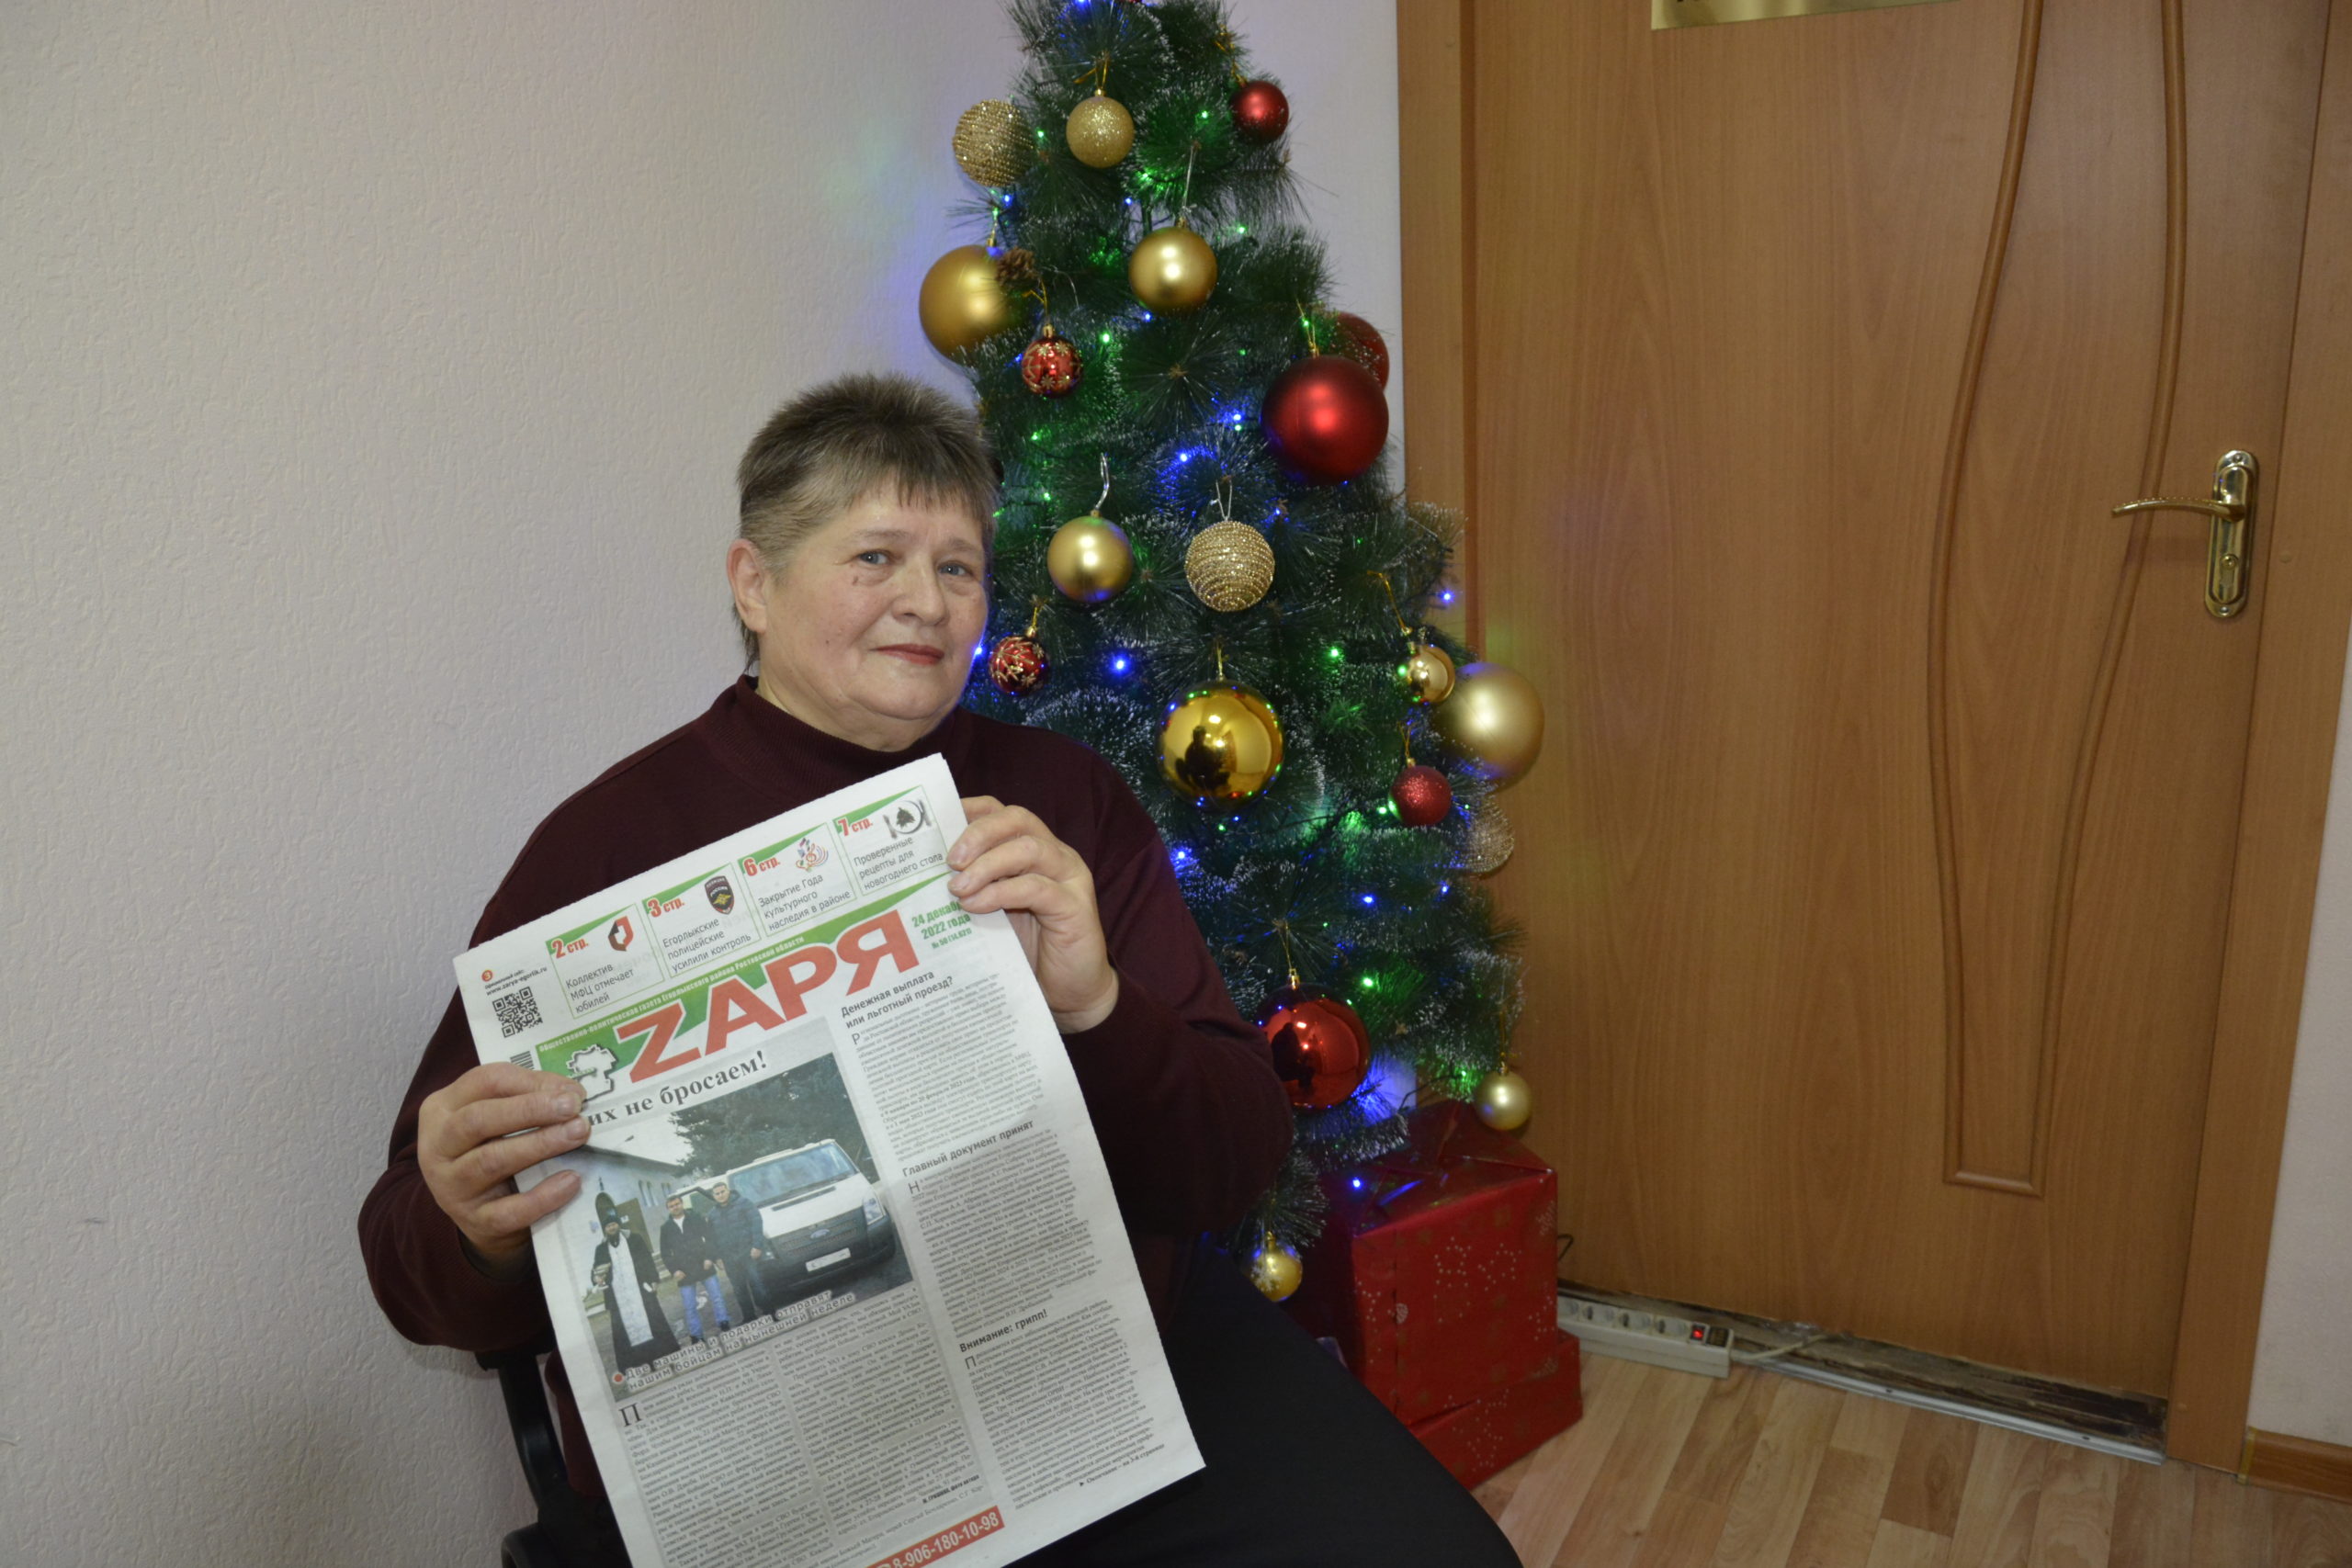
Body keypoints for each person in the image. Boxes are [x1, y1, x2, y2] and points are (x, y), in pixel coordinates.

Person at [356, 373, 1519, 1566]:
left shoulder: (1063, 801)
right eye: (876, 557)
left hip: (1087, 1365)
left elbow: (1231, 1166)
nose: (925, 601)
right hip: (792, 1444)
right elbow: (412, 1261)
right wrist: (476, 1223)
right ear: (753, 584)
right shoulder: (604, 849)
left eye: (958, 567)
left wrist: (1097, 1006)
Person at [590, 1196, 678, 1379]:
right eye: (608, 1226)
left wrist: (653, 1279)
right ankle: (635, 1363)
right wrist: (597, 1278)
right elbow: (596, 1271)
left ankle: (663, 1355)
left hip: (640, 1289)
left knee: (652, 1320)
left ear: (618, 1225)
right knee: (625, 1329)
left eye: (614, 1224)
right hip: (618, 1296)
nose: (612, 1228)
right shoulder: (601, 1249)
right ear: (605, 1230)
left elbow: (647, 1260)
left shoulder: (634, 1239)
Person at [656, 1193, 727, 1343]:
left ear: (682, 1204)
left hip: (704, 1264)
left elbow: (709, 1238)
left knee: (716, 1297)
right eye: (671, 1206)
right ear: (668, 1209)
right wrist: (674, 1270)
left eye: (677, 1204)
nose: (675, 1207)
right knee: (689, 1306)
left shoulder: (696, 1218)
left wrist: (709, 1258)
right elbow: (665, 1253)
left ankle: (724, 1323)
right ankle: (696, 1335)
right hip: (684, 1271)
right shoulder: (666, 1228)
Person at [701, 1178, 766, 1325]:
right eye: (717, 1194)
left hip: (748, 1252)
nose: (720, 1195)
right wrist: (717, 1258)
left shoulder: (744, 1203)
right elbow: (711, 1239)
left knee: (757, 1282)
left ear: (728, 1191)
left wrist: (757, 1246)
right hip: (729, 1258)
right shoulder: (712, 1215)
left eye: (722, 1192)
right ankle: (749, 1316)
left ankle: (768, 1310)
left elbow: (756, 1223)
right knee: (739, 1288)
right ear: (713, 1196)